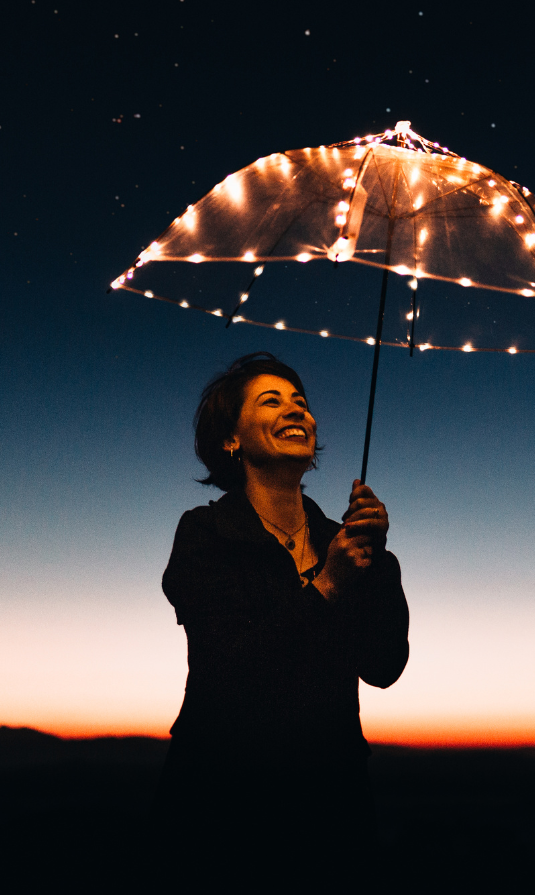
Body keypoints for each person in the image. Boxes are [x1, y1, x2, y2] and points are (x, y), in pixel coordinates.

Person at [154, 352, 410, 866]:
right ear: (231, 439)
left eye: (302, 403)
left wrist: (375, 564)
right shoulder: (205, 535)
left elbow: (383, 667)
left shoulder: (344, 545)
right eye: (271, 402)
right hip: (221, 807)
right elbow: (235, 664)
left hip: (333, 807)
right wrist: (329, 585)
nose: (297, 412)